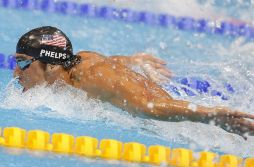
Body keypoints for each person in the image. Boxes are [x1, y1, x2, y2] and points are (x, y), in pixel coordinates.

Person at [14, 26, 254, 138]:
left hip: (180, 125)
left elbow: (149, 107)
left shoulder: (92, 76)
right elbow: (106, 62)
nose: (16, 73)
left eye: (24, 63)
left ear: (52, 64)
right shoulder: (73, 65)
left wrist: (213, 117)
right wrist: (132, 60)